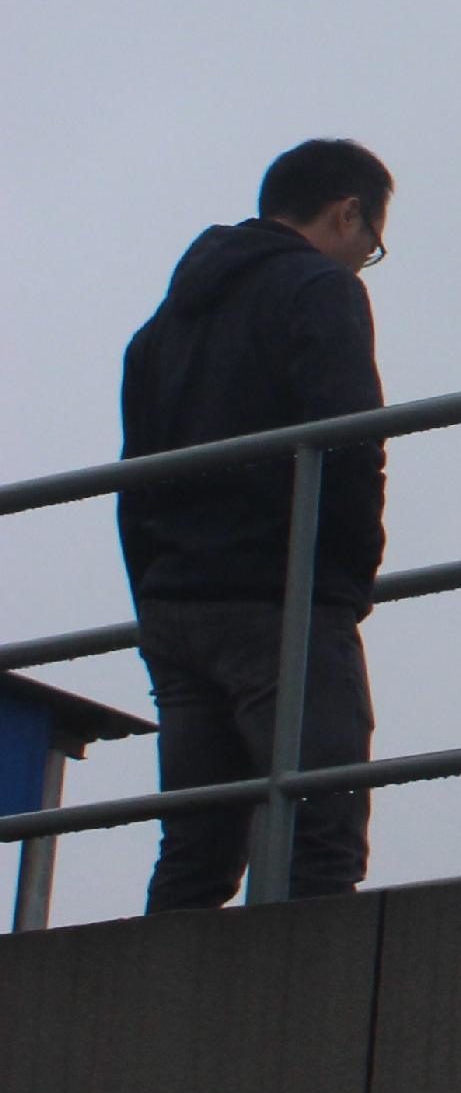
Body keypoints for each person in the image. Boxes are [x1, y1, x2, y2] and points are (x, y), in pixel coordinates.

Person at [116, 139, 396, 909]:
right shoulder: (321, 289)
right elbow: (351, 444)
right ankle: (316, 991)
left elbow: (133, 484)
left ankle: (164, 990)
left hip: (177, 606)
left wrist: (154, 598)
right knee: (321, 835)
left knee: (194, 854)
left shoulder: (163, 326)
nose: (364, 262)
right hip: (281, 595)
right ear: (348, 213)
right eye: (372, 244)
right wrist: (344, 584)